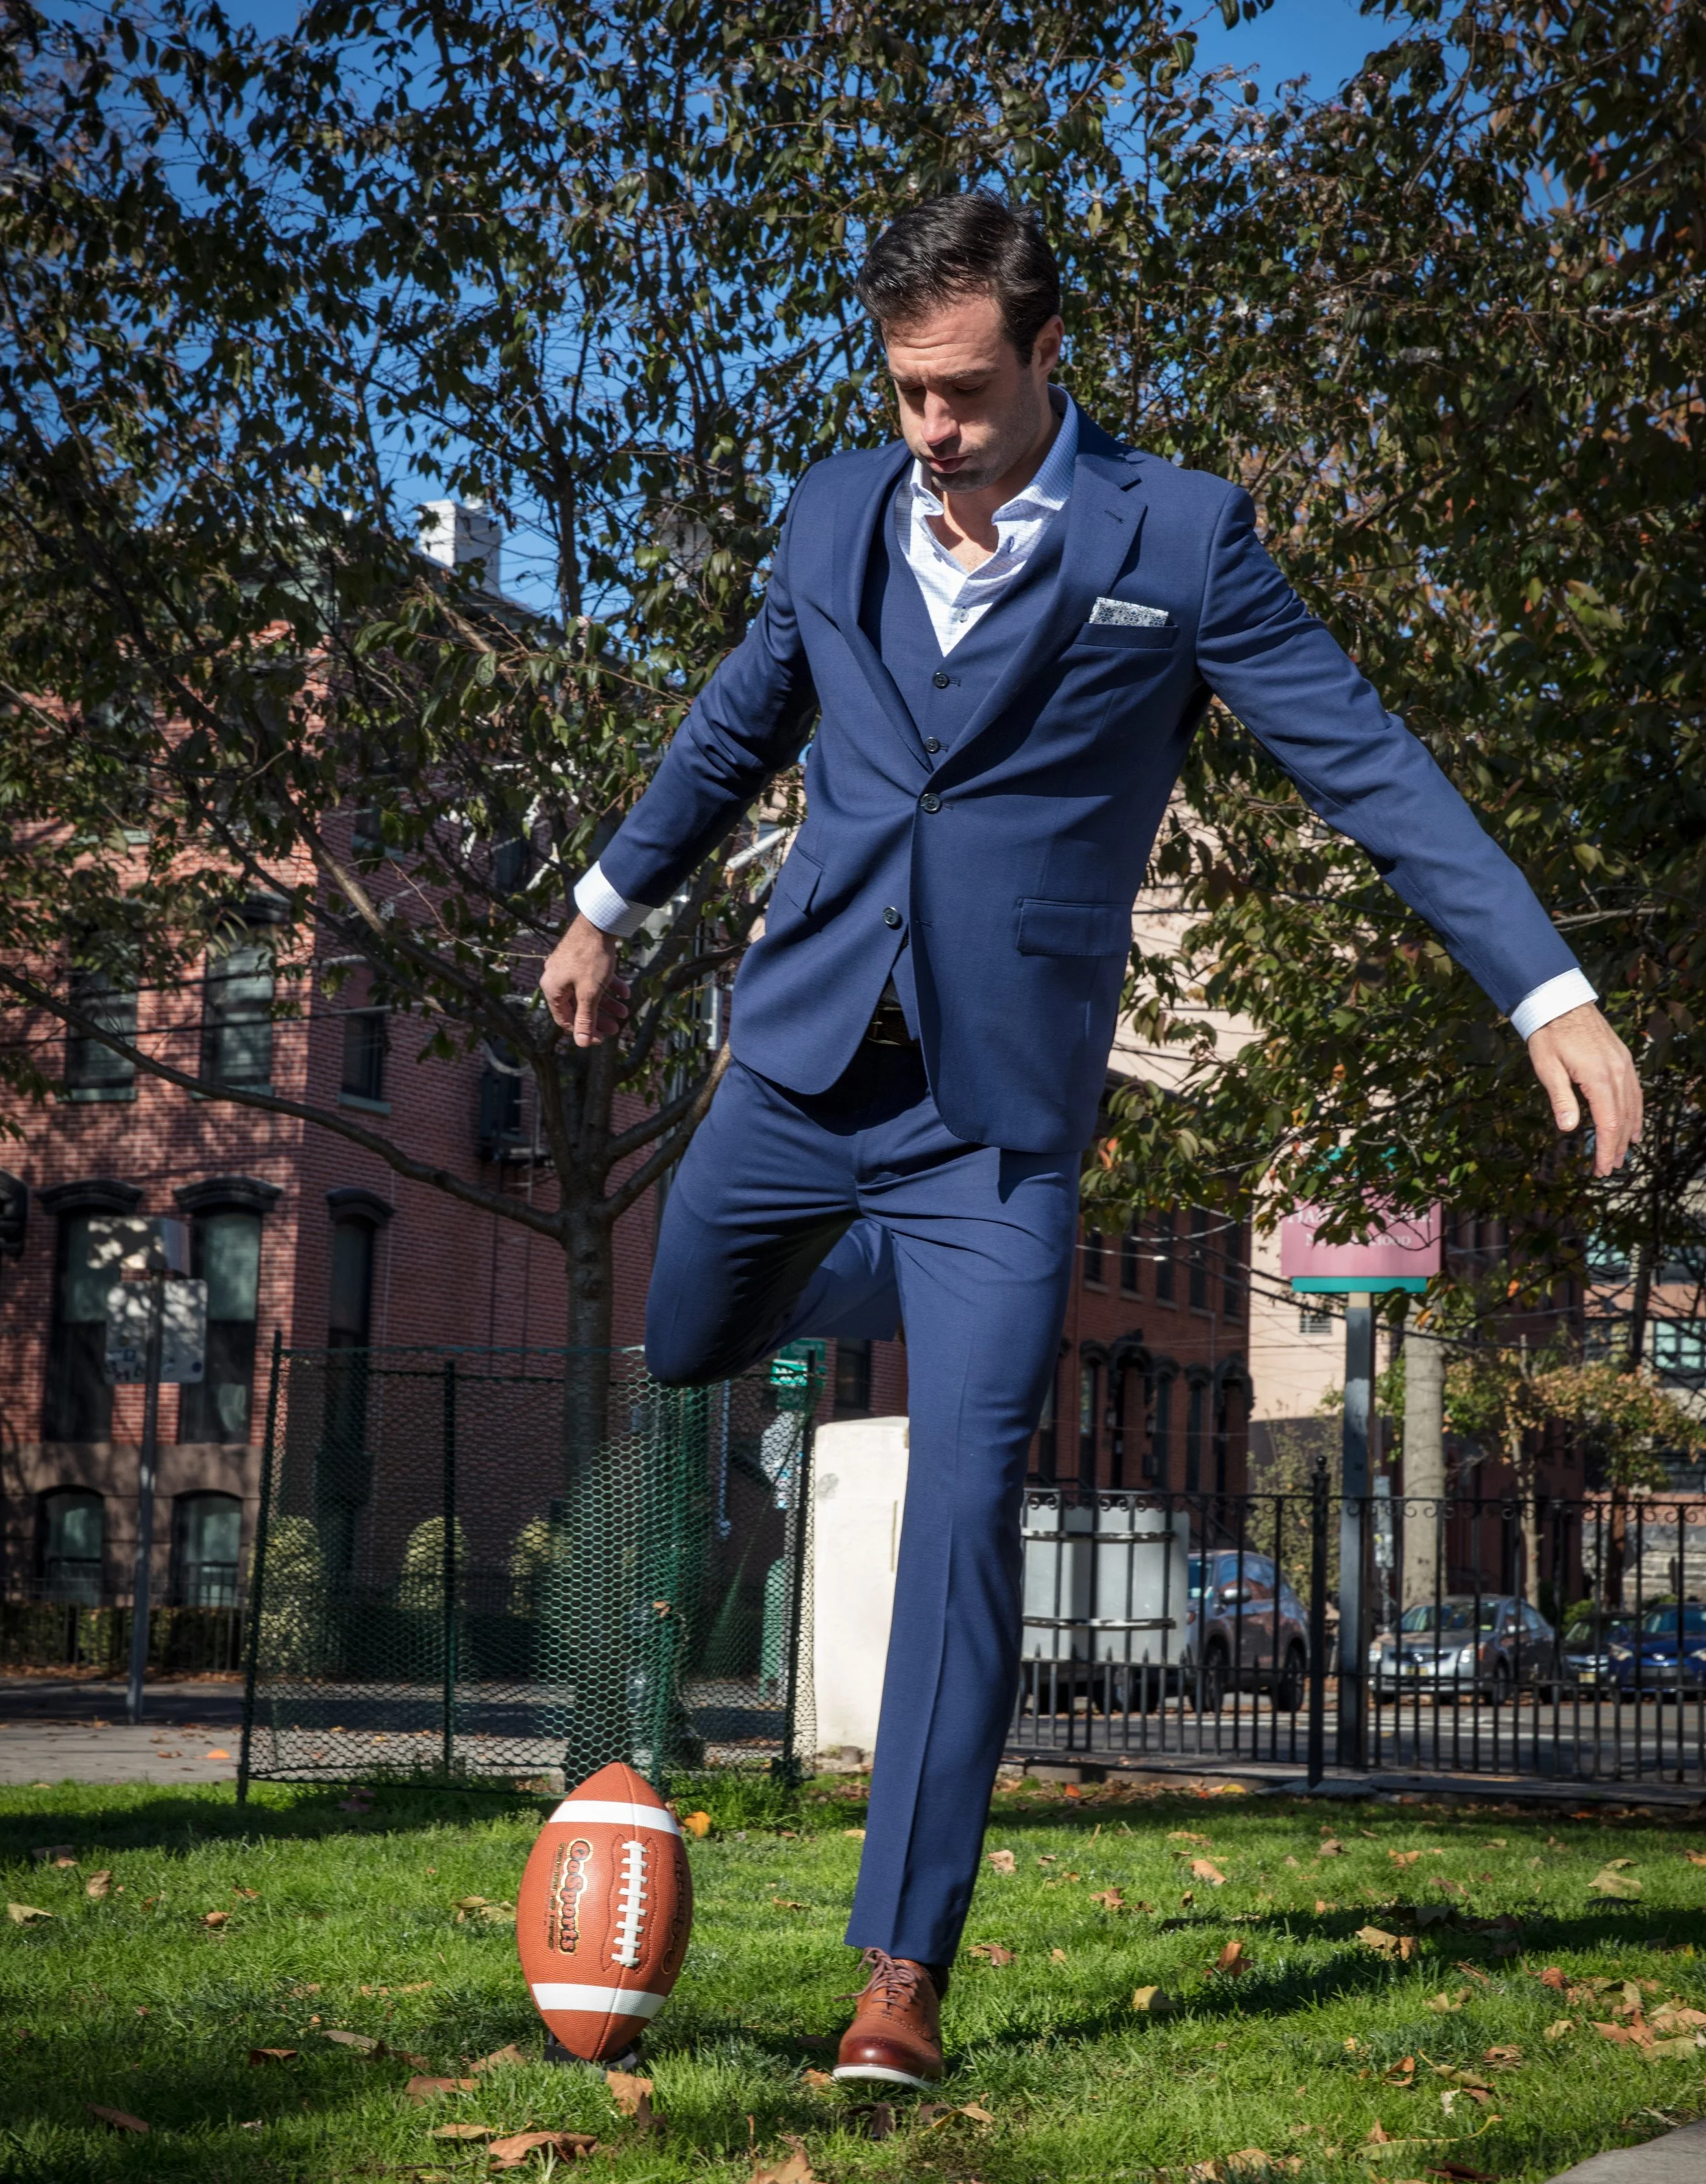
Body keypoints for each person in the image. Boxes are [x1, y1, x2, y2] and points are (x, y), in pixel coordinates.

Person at [541, 193, 1641, 2086]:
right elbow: (739, 719)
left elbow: (1364, 758)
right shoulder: (830, 512)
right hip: (803, 1072)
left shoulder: (1181, 540)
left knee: (966, 1508)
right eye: (903, 393)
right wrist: (602, 903)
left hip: (996, 1123)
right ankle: (853, 1265)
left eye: (965, 392)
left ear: (1051, 357)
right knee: (690, 1332)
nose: (932, 433)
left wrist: (1545, 987)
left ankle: (898, 1974)